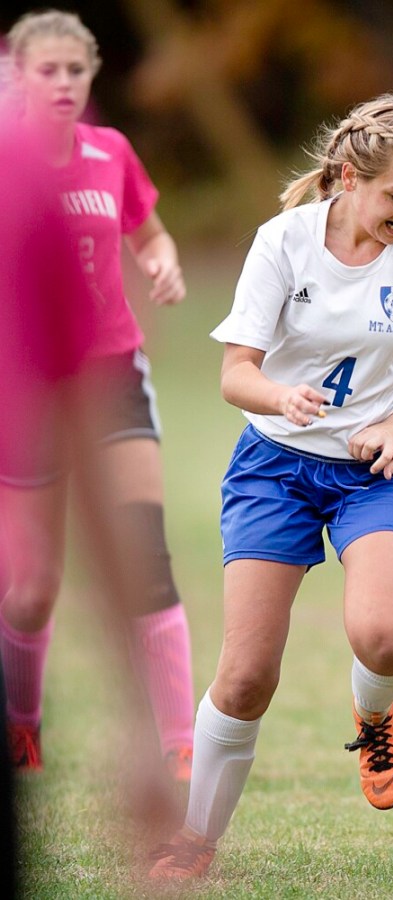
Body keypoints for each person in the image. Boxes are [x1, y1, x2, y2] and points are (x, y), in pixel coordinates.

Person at [148, 92, 393, 881]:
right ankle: (193, 840)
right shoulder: (285, 242)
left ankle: (374, 712)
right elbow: (235, 375)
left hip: (377, 473)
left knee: (385, 638)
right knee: (246, 679)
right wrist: (279, 396)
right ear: (350, 179)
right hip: (274, 467)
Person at [1, 10, 197, 780]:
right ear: (18, 78)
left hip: (114, 372)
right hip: (26, 392)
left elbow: (149, 233)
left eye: (75, 71)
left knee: (146, 554)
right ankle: (22, 724)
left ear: (92, 76)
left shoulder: (110, 151)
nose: (62, 84)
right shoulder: (11, 168)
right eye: (45, 71)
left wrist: (162, 261)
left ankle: (179, 743)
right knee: (30, 590)